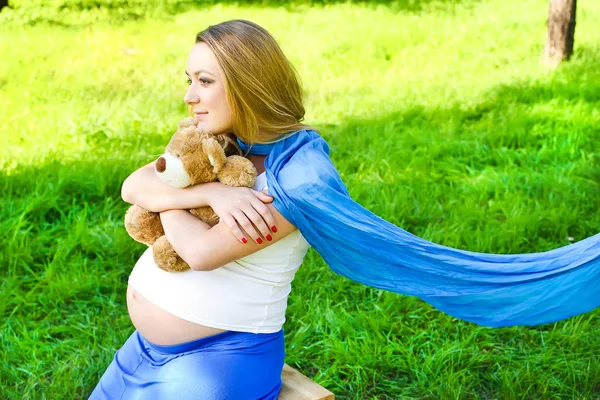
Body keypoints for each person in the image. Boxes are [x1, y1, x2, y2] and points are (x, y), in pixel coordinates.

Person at [90, 19, 316, 400]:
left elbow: (200, 252)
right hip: (143, 352)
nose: (189, 96)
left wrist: (170, 197)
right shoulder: (217, 141)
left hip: (219, 361)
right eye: (189, 80)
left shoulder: (294, 178)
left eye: (205, 81)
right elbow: (134, 186)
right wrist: (210, 192)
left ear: (249, 85)